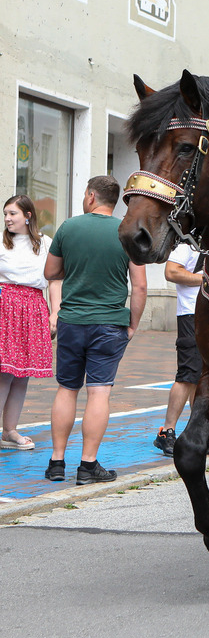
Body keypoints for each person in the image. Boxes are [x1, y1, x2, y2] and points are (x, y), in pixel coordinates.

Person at [43, 176, 147, 484]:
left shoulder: (69, 227)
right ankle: (87, 467)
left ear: (91, 196)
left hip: (73, 320)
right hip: (110, 322)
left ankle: (56, 462)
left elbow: (50, 272)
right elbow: (140, 286)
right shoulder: (127, 232)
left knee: (67, 388)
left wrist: (75, 268)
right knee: (99, 392)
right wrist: (132, 325)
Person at [153, 245, 209, 456]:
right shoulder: (187, 245)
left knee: (203, 377)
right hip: (191, 315)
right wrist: (206, 280)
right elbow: (171, 271)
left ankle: (201, 434)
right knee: (187, 375)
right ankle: (166, 433)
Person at [0, 195, 60, 450]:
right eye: (5, 214)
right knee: (4, 372)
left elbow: (55, 280)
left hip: (34, 307)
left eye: (12, 213)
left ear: (28, 216)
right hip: (6, 305)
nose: (7, 219)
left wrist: (55, 313)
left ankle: (10, 430)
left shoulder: (45, 244)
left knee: (21, 376)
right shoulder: (2, 243)